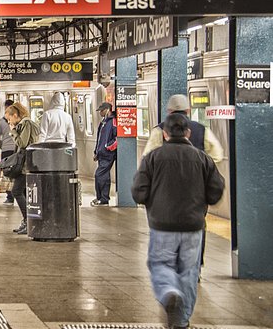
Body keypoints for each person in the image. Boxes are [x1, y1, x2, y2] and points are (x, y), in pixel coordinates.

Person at [132, 113, 225, 329]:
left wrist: (152, 202)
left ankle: (169, 292)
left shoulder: (153, 158)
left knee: (160, 264)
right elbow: (216, 191)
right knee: (189, 272)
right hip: (193, 226)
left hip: (162, 225)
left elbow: (138, 191)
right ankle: (182, 321)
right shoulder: (203, 158)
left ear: (164, 134)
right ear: (188, 133)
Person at [141, 93, 224, 274]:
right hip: (195, 190)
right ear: (189, 110)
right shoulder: (202, 130)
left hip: (166, 190)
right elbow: (217, 154)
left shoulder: (159, 130)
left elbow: (147, 158)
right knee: (197, 225)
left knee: (167, 225)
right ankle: (195, 267)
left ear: (169, 111)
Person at [5, 102, 39, 235]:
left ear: (15, 115)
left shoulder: (26, 123)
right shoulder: (25, 123)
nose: (9, 122)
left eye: (9, 119)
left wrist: (13, 131)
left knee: (17, 191)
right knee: (22, 192)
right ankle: (28, 221)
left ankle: (28, 220)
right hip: (26, 164)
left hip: (26, 165)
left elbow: (22, 143)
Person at [92, 102, 118, 206]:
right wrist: (96, 152)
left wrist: (108, 147)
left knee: (99, 175)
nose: (100, 113)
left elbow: (117, 138)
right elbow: (99, 139)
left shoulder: (113, 122)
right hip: (101, 154)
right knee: (105, 176)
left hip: (108, 154)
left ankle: (102, 199)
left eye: (101, 110)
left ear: (107, 109)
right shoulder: (103, 123)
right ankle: (103, 198)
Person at [0, 100, 16, 204]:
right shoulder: (18, 121)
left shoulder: (1, 122)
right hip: (16, 150)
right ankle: (18, 193)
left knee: (7, 173)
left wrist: (1, 145)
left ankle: (10, 197)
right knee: (17, 171)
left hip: (6, 150)